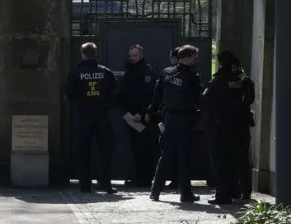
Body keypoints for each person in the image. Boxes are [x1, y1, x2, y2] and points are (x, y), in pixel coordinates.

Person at [150, 45, 203, 204]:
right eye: (194, 56)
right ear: (187, 58)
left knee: (165, 155)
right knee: (185, 157)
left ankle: (155, 191)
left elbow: (157, 95)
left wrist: (153, 112)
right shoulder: (193, 77)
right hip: (185, 119)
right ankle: (185, 194)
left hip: (169, 118)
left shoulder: (166, 73)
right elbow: (197, 99)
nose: (196, 59)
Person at [64, 42, 118, 194]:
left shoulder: (75, 73)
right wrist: (105, 103)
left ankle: (85, 186)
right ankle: (105, 183)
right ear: (95, 54)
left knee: (82, 151)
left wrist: (79, 102)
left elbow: (69, 92)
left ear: (82, 54)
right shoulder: (105, 72)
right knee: (106, 150)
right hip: (102, 115)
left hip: (83, 115)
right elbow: (114, 91)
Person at [202, 51, 256, 205]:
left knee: (220, 161)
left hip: (221, 127)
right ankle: (237, 191)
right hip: (238, 126)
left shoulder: (218, 81)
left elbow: (205, 100)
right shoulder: (239, 81)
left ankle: (223, 194)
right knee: (236, 160)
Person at [116, 44, 159, 187]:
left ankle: (144, 179)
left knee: (143, 148)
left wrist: (142, 112)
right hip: (131, 115)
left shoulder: (146, 71)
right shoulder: (130, 69)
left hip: (140, 116)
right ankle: (137, 177)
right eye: (130, 55)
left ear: (141, 55)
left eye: (134, 55)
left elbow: (149, 95)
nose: (131, 58)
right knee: (136, 147)